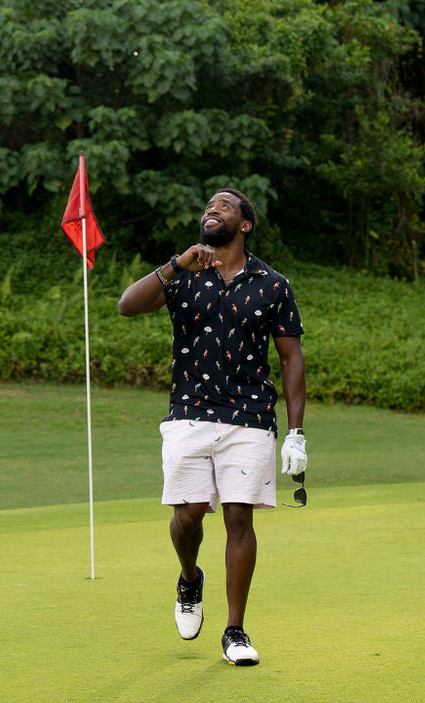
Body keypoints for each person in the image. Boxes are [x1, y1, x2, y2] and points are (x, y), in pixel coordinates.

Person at [117, 188, 307, 666]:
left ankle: (235, 630)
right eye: (208, 206)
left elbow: (291, 358)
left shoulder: (272, 284)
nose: (212, 210)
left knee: (239, 517)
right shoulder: (184, 275)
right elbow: (126, 305)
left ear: (244, 224)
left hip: (249, 416)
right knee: (189, 515)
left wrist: (296, 432)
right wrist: (176, 265)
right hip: (188, 413)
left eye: (224, 206)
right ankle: (188, 578)